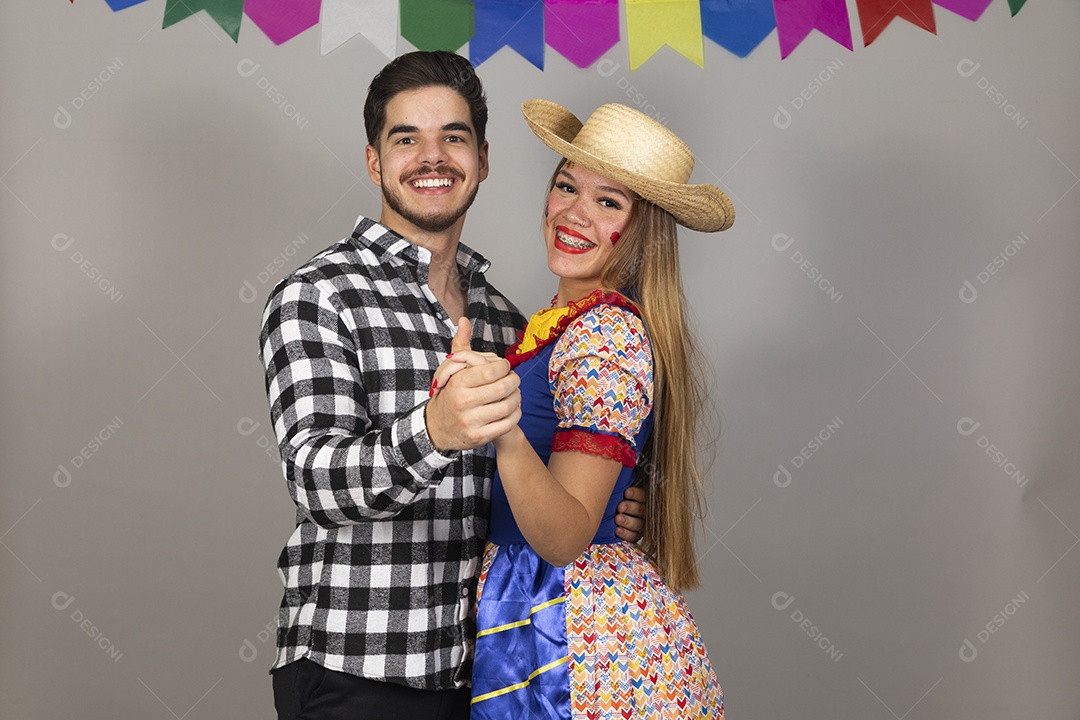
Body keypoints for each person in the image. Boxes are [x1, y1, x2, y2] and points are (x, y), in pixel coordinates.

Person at [258, 52, 646, 720]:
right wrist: (436, 428)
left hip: (486, 670)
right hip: (360, 670)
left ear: (483, 159)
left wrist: (611, 508)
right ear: (376, 162)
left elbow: (536, 485)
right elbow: (315, 478)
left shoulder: (506, 321)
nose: (430, 157)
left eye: (453, 138)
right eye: (406, 138)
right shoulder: (318, 295)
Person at [432, 99, 734, 718]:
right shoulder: (559, 324)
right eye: (567, 186)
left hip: (574, 635)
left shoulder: (605, 338)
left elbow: (565, 537)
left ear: (643, 229)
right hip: (539, 612)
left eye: (609, 202)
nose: (574, 213)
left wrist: (502, 425)